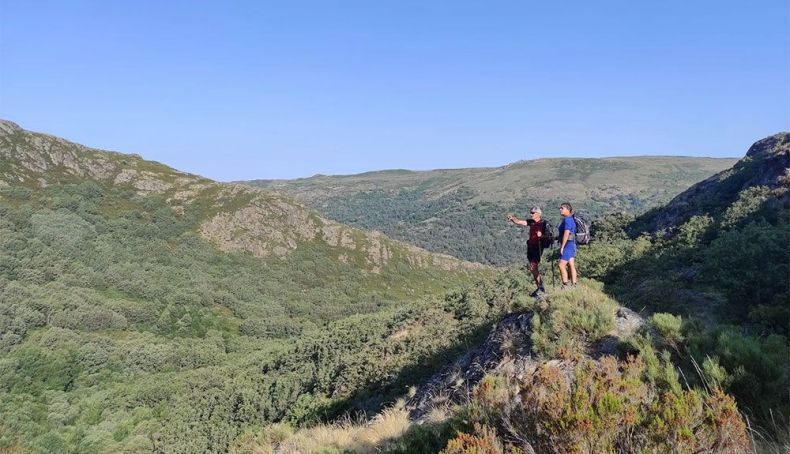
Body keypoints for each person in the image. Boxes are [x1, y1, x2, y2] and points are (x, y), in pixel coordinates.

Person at [507, 207, 546, 296]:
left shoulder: (544, 224)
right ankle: (539, 287)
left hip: (537, 248)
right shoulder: (531, 222)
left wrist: (541, 235)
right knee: (532, 269)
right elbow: (519, 222)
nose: (531, 214)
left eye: (533, 213)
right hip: (531, 247)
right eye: (530, 213)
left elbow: (549, 236)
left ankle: (541, 288)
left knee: (533, 267)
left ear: (538, 214)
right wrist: (512, 218)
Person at [558, 202, 577, 289]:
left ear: (568, 209)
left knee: (561, 265)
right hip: (572, 244)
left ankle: (565, 285)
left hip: (567, 245)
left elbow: (566, 233)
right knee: (571, 264)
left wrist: (562, 246)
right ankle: (574, 285)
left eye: (562, 208)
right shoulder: (570, 219)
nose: (560, 209)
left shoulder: (567, 220)